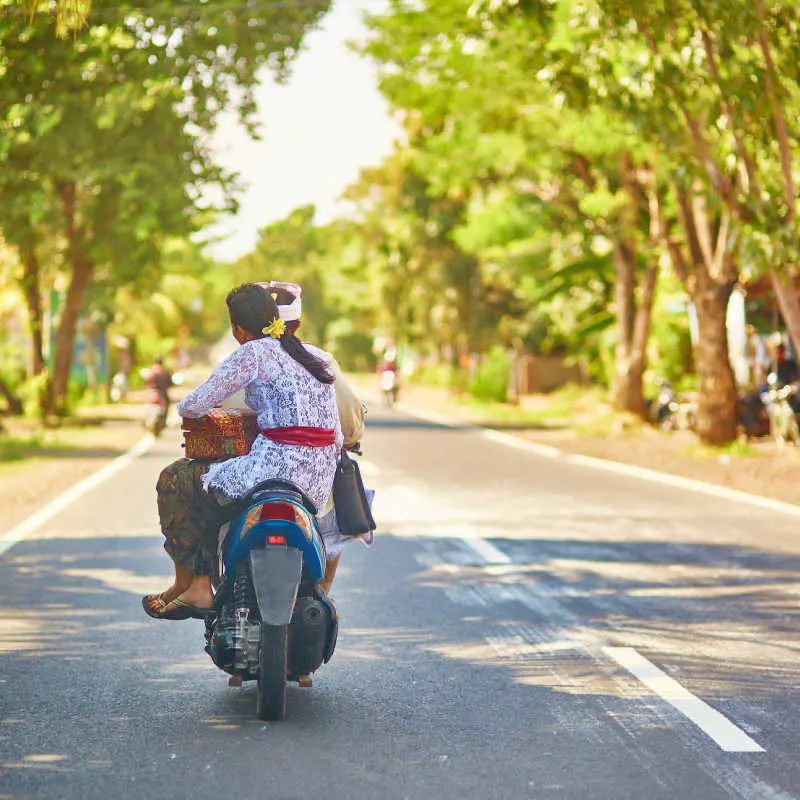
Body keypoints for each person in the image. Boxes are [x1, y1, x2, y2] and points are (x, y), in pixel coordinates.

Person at [143, 283, 342, 620]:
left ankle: (192, 585)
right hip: (319, 481)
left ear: (237, 330)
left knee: (177, 479)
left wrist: (189, 406)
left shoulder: (252, 352)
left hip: (274, 471)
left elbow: (193, 405)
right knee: (209, 485)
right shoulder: (316, 356)